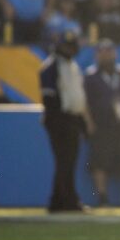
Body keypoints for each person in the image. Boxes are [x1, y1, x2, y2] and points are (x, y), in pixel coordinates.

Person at [40, 31, 93, 212]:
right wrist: (57, 121)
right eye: (66, 46)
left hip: (73, 118)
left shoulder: (72, 66)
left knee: (68, 162)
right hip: (59, 119)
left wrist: (83, 122)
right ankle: (68, 201)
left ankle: (58, 201)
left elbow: (78, 97)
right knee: (64, 161)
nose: (69, 49)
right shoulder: (51, 66)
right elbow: (50, 99)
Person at [84, 39, 120, 207]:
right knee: (100, 162)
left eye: (109, 51)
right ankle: (102, 197)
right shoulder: (91, 76)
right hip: (101, 125)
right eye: (102, 52)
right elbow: (84, 102)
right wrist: (89, 123)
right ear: (97, 55)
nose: (106, 55)